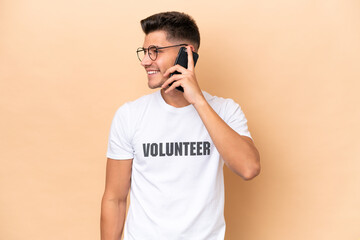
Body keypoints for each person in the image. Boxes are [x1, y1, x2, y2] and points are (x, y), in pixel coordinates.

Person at [100, 11, 260, 240]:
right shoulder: (130, 115)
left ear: (186, 54)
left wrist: (198, 101)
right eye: (144, 52)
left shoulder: (225, 110)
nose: (146, 61)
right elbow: (114, 199)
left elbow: (249, 168)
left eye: (154, 51)